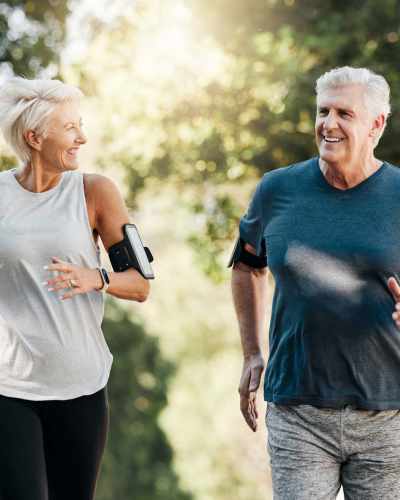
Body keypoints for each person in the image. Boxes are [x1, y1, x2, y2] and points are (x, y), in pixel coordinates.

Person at [230, 66, 400, 499]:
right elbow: (248, 265)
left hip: (388, 411)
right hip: (298, 408)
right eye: (323, 111)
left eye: (345, 113)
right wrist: (251, 351)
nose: (328, 124)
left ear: (377, 124)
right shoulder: (278, 189)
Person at [0, 77, 150, 500]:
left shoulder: (95, 192)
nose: (82, 137)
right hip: (9, 388)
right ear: (34, 137)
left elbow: (140, 285)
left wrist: (97, 277)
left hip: (80, 387)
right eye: (70, 128)